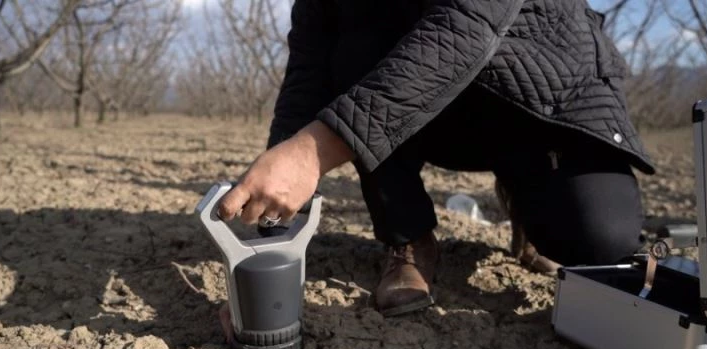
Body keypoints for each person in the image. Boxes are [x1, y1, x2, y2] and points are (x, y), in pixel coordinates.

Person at [216, 0, 653, 320]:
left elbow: (467, 24)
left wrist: (313, 152)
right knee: (354, 42)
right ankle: (408, 235)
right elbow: (308, 69)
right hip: (426, 109)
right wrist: (275, 212)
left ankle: (527, 191)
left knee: (599, 243)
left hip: (544, 91)